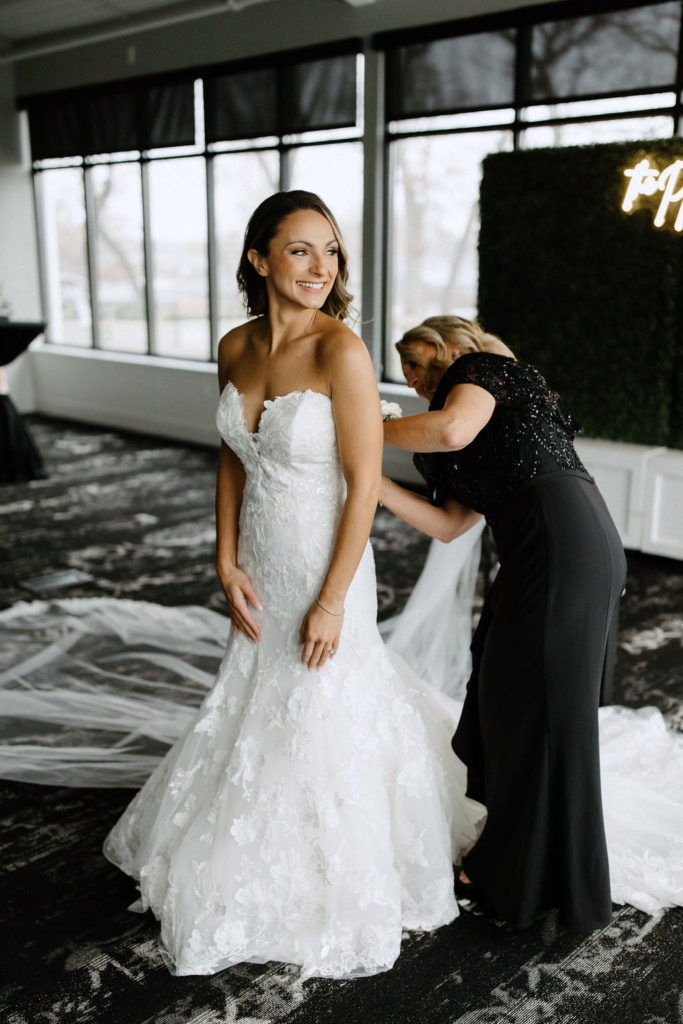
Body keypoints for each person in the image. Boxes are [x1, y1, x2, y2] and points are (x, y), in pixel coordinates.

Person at [102, 194, 483, 979]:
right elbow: (233, 457)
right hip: (262, 558)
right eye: (302, 251)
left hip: (324, 556)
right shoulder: (233, 345)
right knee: (254, 686)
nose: (321, 269)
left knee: (323, 695)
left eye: (331, 253)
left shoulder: (339, 350)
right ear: (259, 258)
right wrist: (224, 556)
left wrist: (333, 599)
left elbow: (364, 479)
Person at [379, 314, 627, 931]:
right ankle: (516, 854)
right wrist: (368, 480)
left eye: (412, 365)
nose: (408, 380)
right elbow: (450, 525)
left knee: (542, 713)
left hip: (563, 543)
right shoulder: (449, 439)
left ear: (439, 352)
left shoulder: (482, 372)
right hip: (537, 556)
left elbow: (452, 425)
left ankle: (541, 877)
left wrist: (367, 428)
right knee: (504, 701)